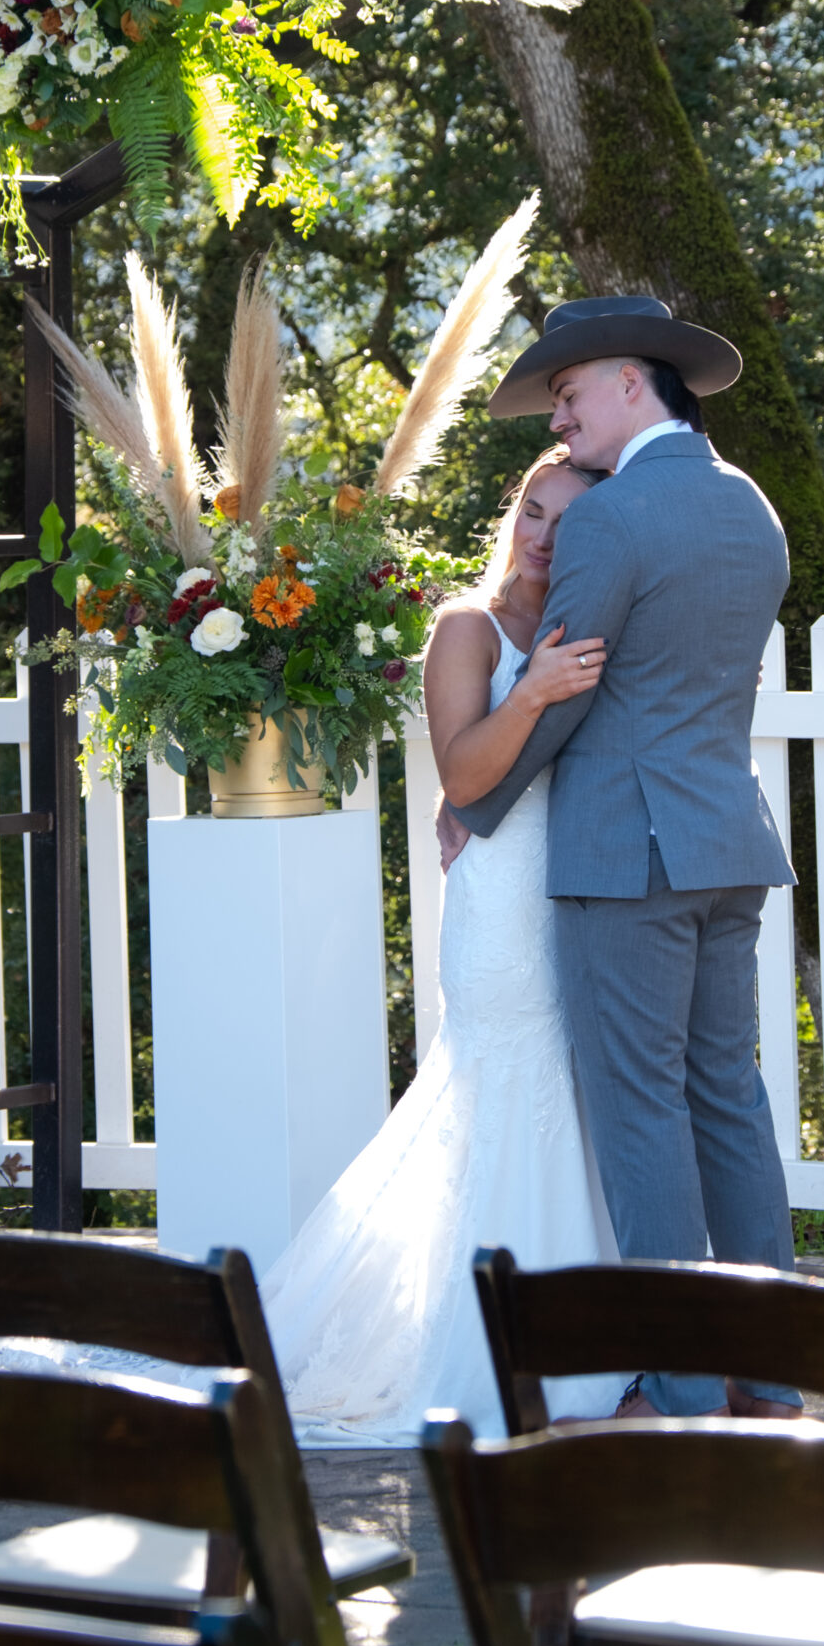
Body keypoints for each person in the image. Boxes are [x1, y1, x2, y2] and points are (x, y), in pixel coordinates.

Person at [449, 293, 802, 1419]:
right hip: (726, 840)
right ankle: (774, 1368)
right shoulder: (753, 507)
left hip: (623, 858)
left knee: (643, 1110)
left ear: (630, 382)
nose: (558, 422)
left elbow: (567, 686)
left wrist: (479, 798)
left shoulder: (611, 519)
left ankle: (682, 1381)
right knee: (728, 1100)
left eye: (565, 395)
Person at [255, 444, 628, 1440]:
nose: (545, 537)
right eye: (534, 511)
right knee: (508, 1099)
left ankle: (593, 1334)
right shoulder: (470, 629)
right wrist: (535, 690)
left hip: (582, 893)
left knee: (579, 1105)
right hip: (504, 910)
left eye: (570, 522)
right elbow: (465, 779)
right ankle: (488, 1346)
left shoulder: (588, 624)